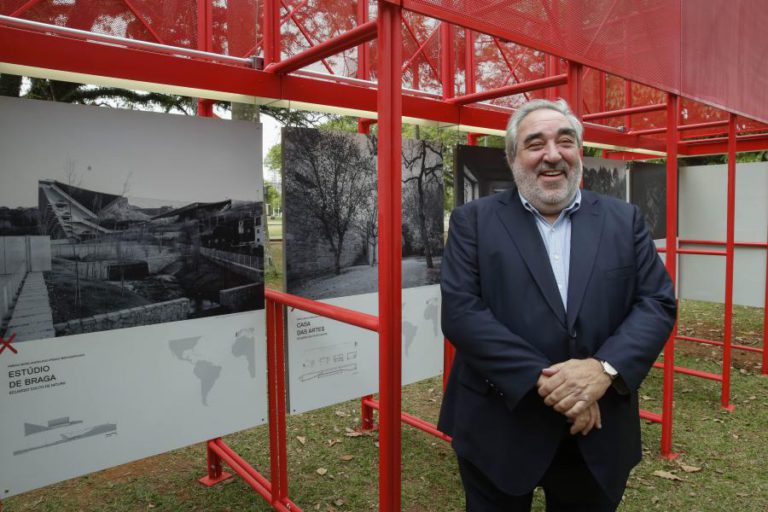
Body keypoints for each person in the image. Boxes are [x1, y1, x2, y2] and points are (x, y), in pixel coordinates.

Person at [438, 98, 676, 511]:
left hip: (598, 434)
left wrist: (602, 371)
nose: (552, 155)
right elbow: (462, 313)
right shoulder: (472, 221)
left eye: (565, 141)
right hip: (500, 425)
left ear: (579, 153)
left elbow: (656, 303)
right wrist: (560, 388)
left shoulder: (625, 220)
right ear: (513, 157)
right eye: (535, 144)